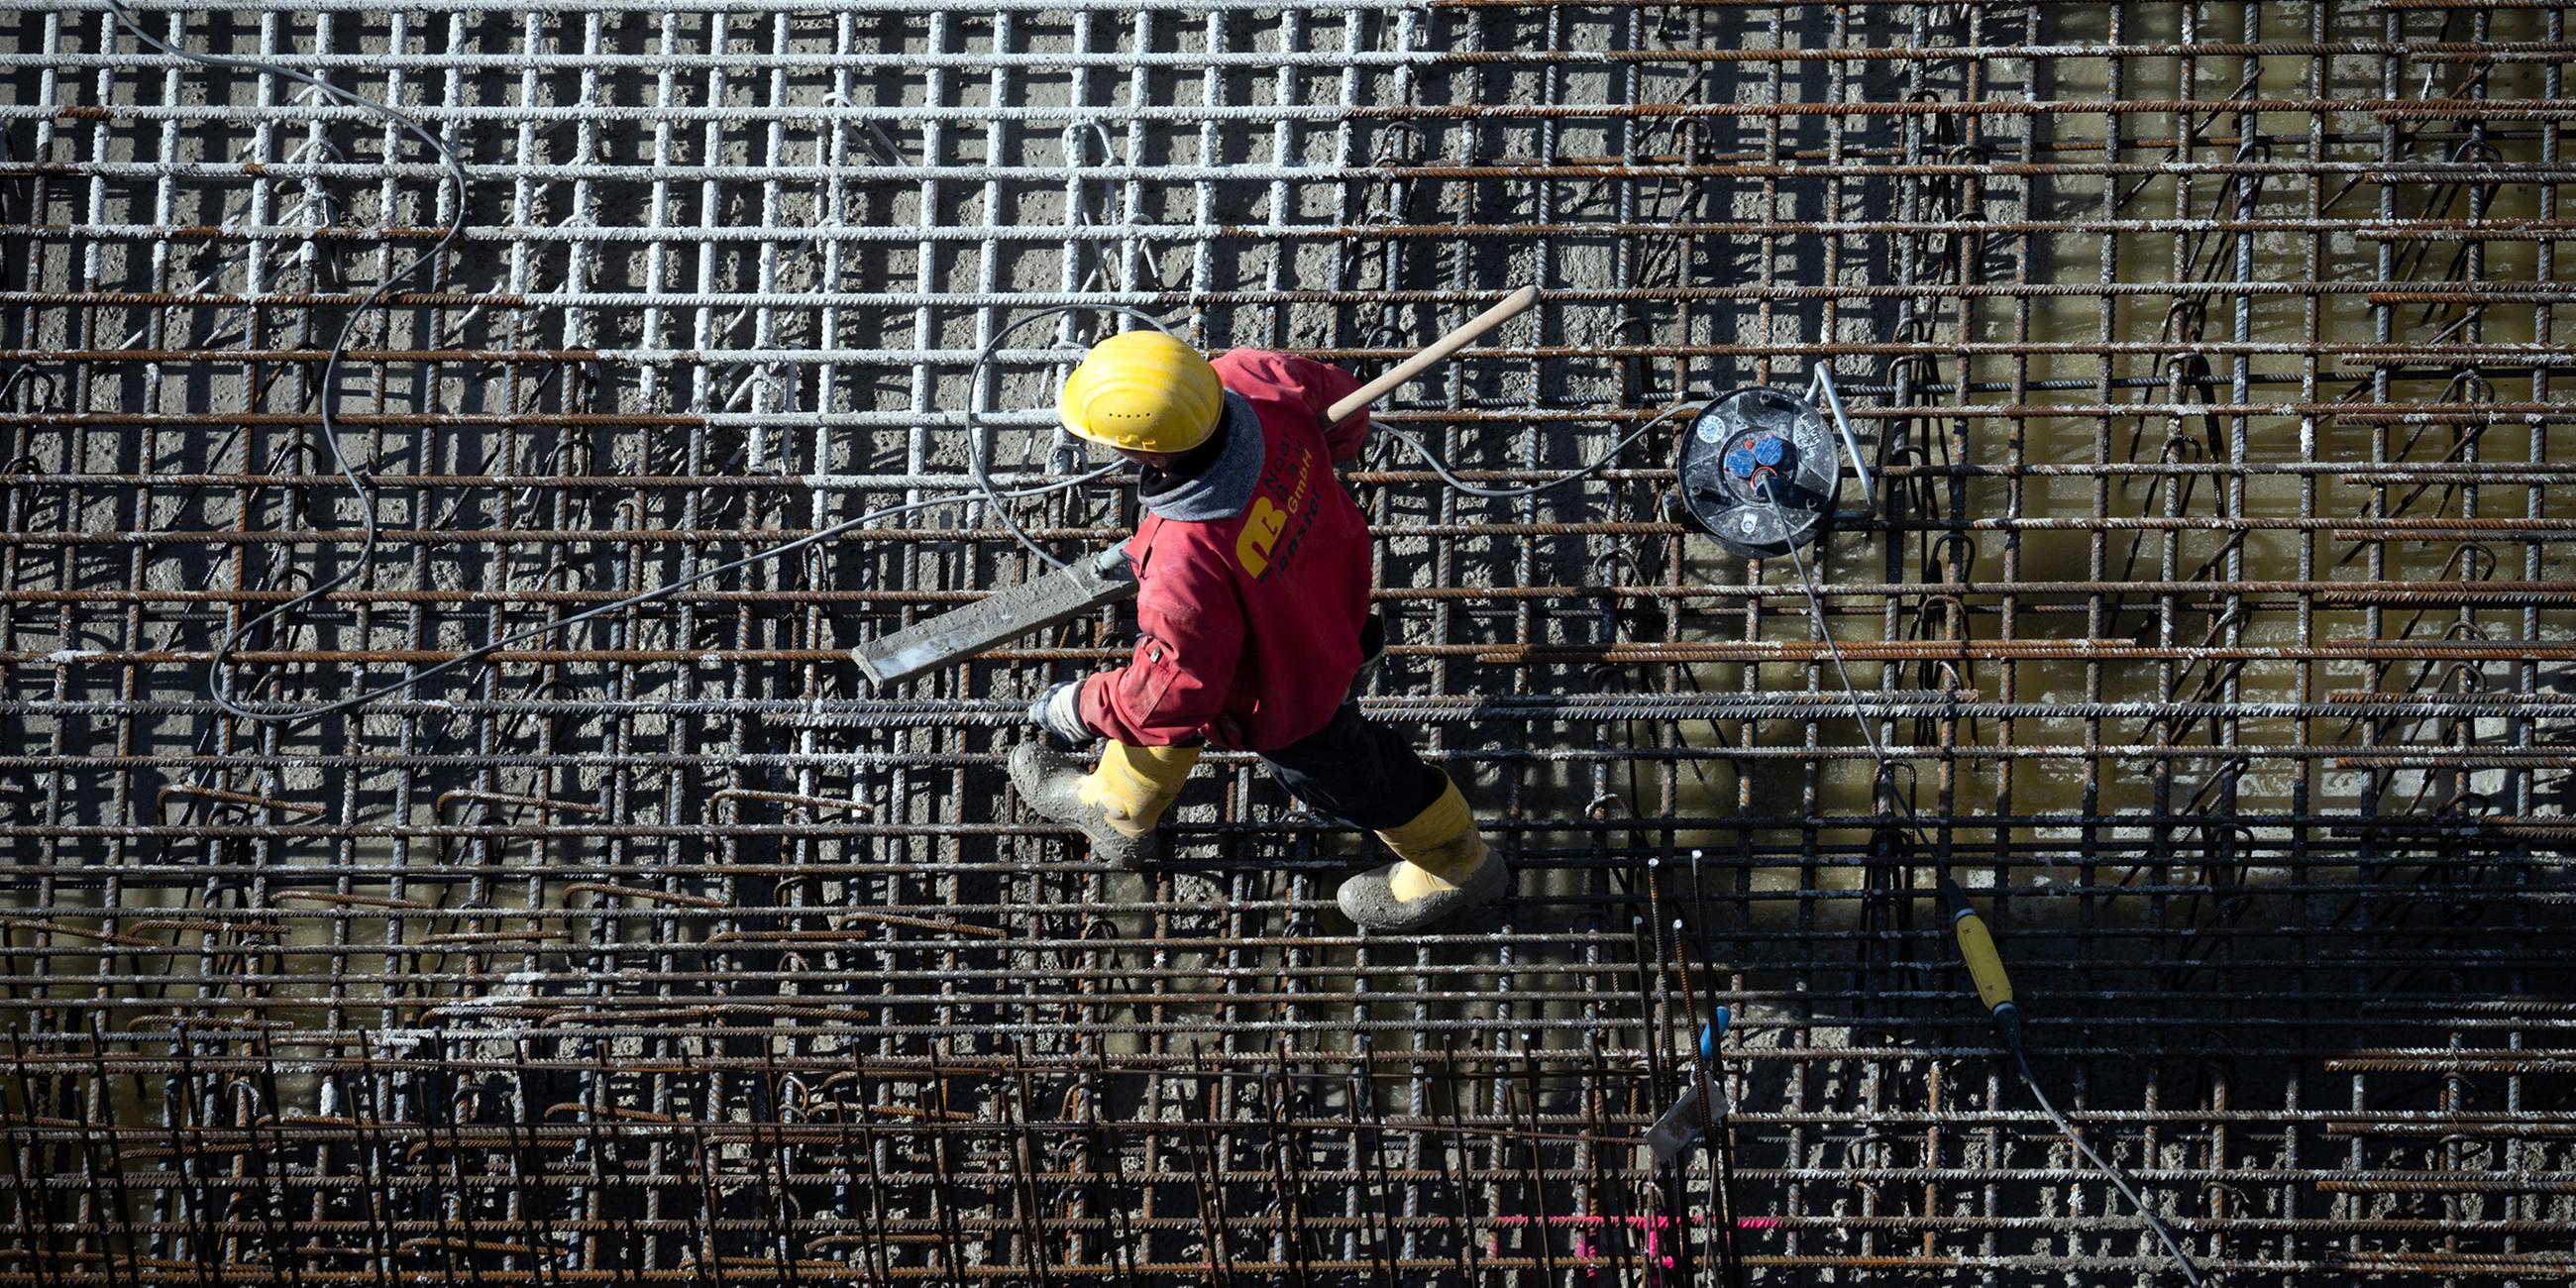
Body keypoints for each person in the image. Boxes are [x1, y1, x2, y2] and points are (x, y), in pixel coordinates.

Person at [1006, 330, 1507, 931]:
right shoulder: (1253, 374)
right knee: (1173, 679)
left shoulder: (1182, 562)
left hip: (1289, 691)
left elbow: (1174, 691)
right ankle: (1119, 810)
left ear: (1149, 454)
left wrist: (1082, 707)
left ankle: (1457, 864)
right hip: (1334, 590)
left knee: (1343, 769)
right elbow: (1344, 420)